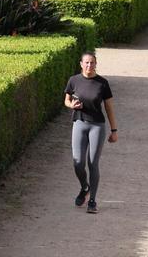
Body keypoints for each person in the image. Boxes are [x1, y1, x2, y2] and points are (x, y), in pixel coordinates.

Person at [64, 52, 118, 214]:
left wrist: (114, 130)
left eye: (92, 63)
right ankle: (84, 187)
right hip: (79, 123)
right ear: (81, 64)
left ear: (96, 64)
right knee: (78, 162)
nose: (89, 66)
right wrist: (72, 105)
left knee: (93, 163)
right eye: (86, 63)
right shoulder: (74, 80)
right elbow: (66, 100)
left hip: (97, 126)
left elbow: (109, 107)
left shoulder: (102, 83)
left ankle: (92, 201)